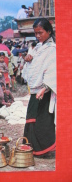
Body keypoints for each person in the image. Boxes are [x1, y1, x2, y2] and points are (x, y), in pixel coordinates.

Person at [23, 18, 56, 158]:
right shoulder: (37, 48)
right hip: (35, 90)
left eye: (40, 33)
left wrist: (45, 87)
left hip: (44, 90)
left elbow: (53, 70)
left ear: (49, 31)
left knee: (42, 119)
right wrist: (28, 60)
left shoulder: (52, 49)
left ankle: (43, 148)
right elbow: (32, 69)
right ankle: (32, 146)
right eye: (35, 33)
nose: (37, 36)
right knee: (31, 116)